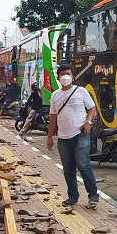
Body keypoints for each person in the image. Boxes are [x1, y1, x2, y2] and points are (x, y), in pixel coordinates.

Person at [46, 64, 99, 209]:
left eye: (67, 74)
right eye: (62, 74)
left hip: (81, 134)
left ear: (73, 76)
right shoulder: (55, 95)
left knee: (83, 164)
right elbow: (53, 117)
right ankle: (73, 196)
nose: (65, 77)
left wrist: (88, 122)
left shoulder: (81, 91)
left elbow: (92, 107)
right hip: (63, 138)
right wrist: (50, 137)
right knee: (68, 168)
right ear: (58, 77)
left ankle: (93, 194)